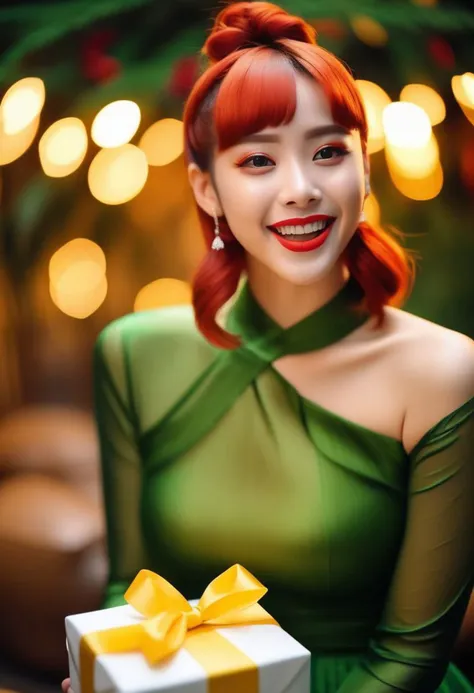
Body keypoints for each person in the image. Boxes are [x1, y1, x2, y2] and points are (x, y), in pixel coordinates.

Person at [62, 2, 474, 691]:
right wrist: (110, 674)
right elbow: (129, 593)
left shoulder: (445, 371)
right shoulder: (132, 353)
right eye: (257, 159)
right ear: (208, 188)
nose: (302, 189)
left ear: (363, 168)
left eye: (328, 151)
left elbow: (408, 662)